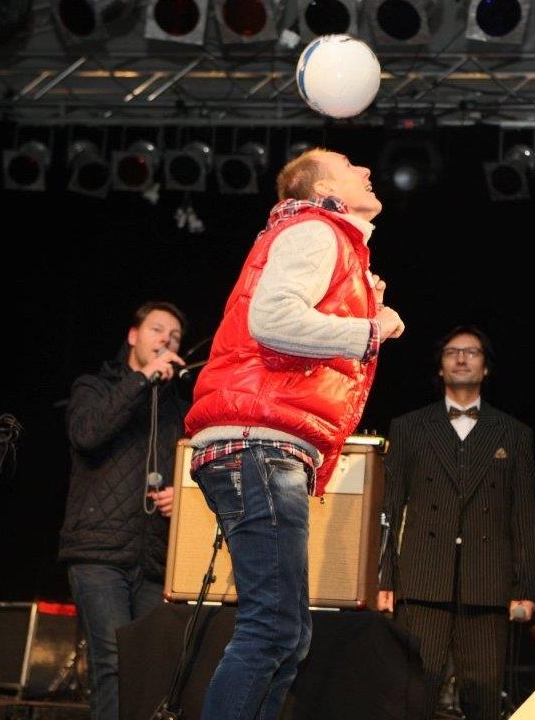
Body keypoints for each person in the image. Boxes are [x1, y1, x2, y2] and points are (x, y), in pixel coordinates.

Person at [183, 148, 405, 720]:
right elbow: (273, 320)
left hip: (260, 443)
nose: (366, 170)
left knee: (285, 634)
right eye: (353, 165)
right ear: (324, 185)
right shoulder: (315, 229)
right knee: (272, 631)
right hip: (258, 444)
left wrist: (363, 308)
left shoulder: (329, 240)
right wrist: (369, 328)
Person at [376, 325, 535, 720]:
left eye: (471, 352)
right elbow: (389, 509)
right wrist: (383, 581)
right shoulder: (409, 427)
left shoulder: (514, 433)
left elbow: (523, 516)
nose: (462, 358)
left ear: (485, 368)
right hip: (421, 579)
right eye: (452, 352)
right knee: (415, 691)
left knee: (482, 697)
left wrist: (525, 587)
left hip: (487, 582)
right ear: (440, 367)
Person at [58, 301, 189, 720]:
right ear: (133, 336)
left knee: (149, 674)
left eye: (174, 336)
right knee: (113, 665)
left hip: (152, 561)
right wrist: (141, 380)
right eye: (157, 329)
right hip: (99, 554)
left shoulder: (179, 410)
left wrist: (181, 496)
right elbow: (87, 434)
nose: (166, 339)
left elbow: (194, 471)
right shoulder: (94, 386)